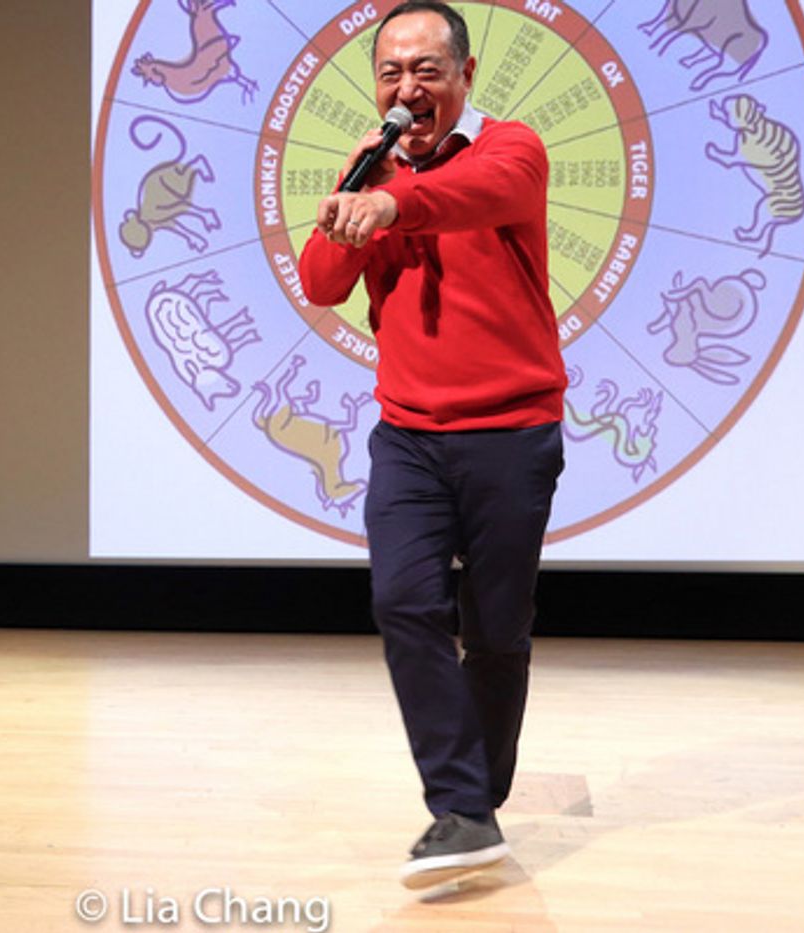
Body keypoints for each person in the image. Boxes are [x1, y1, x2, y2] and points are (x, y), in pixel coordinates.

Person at [298, 1, 567, 890]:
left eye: (426, 71)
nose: (407, 88)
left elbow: (474, 197)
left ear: (464, 76)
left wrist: (390, 200)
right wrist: (359, 191)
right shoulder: (373, 169)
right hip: (409, 435)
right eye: (391, 73)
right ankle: (459, 807)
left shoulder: (510, 150)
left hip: (512, 432)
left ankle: (475, 805)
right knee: (404, 602)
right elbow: (321, 280)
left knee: (496, 632)